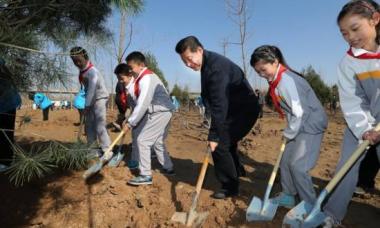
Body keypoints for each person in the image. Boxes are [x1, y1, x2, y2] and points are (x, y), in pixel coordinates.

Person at [175, 36, 259, 199]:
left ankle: (229, 187)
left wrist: (214, 135)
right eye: (184, 62)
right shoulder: (206, 63)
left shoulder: (216, 68)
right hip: (233, 110)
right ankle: (237, 170)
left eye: (189, 59)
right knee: (228, 141)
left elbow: (220, 105)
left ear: (199, 50)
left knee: (220, 144)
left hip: (244, 110)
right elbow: (209, 96)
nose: (188, 65)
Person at [322, 1, 380, 226]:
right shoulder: (348, 63)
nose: (350, 37)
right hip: (362, 126)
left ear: (375, 19)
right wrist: (365, 129)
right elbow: (352, 102)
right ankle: (331, 214)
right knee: (345, 168)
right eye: (344, 33)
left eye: (355, 29)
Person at [251, 45, 328, 210]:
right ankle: (288, 195)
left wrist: (289, 132)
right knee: (285, 161)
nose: (262, 75)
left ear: (275, 62)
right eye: (258, 72)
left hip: (311, 125)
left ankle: (310, 205)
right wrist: (291, 131)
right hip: (299, 124)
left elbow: (299, 112)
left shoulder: (286, 81)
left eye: (264, 69)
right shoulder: (277, 81)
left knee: (298, 166)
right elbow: (294, 113)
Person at [122, 52, 175, 185]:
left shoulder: (147, 78)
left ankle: (145, 175)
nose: (130, 70)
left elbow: (143, 103)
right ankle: (168, 167)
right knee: (158, 141)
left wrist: (130, 123)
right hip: (164, 111)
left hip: (160, 112)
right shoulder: (142, 78)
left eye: (131, 67)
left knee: (143, 141)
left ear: (141, 65)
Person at [70, 46, 112, 159]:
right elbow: (87, 91)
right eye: (74, 61)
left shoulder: (92, 72)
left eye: (79, 60)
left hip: (100, 98)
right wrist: (86, 105)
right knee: (88, 125)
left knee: (99, 125)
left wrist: (87, 106)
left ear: (85, 56)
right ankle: (93, 150)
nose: (77, 63)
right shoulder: (83, 71)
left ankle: (107, 151)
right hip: (90, 100)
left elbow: (92, 89)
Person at [0, 58, 21, 171]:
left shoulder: (3, 77)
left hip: (7, 105)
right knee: (5, 132)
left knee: (5, 133)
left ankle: (5, 162)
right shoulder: (5, 72)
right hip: (8, 104)